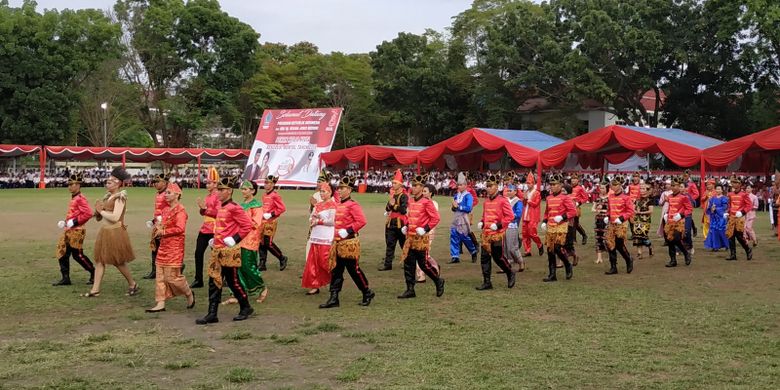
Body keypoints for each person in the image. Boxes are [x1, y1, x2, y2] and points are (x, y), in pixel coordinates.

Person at [196, 175, 254, 324]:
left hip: (229, 251)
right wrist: (204, 211)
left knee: (233, 281)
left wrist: (235, 239)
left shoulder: (235, 207)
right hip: (217, 249)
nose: (218, 192)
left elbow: (248, 226)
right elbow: (218, 217)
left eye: (221, 190)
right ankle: (212, 313)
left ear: (229, 191)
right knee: (214, 280)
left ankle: (245, 306)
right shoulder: (222, 207)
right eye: (218, 190)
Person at [319, 176, 375, 308]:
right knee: (336, 271)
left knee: (354, 270)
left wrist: (349, 230)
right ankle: (334, 297)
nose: (339, 190)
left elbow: (361, 221)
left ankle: (367, 291)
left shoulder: (353, 205)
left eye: (342, 188)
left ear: (349, 190)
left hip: (348, 244)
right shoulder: (339, 204)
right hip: (338, 243)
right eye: (338, 188)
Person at [83, 167, 138, 298]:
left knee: (118, 261)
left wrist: (101, 211)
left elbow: (115, 217)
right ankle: (95, 289)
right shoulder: (108, 197)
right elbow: (102, 216)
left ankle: (133, 283)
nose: (107, 183)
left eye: (111, 181)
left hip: (115, 232)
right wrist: (97, 212)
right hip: (105, 231)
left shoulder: (120, 197)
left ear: (118, 183)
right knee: (100, 260)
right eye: (107, 181)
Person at [145, 183, 195, 312]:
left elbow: (180, 228)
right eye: (165, 193)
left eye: (168, 193)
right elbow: (162, 223)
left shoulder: (181, 210)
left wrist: (164, 232)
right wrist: (157, 226)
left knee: (171, 277)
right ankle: (160, 302)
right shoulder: (166, 210)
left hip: (175, 247)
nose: (165, 195)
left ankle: (188, 292)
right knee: (160, 275)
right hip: (164, 245)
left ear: (177, 195)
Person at [397, 174, 445, 299]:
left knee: (423, 264)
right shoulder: (411, 201)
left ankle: (438, 280)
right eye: (412, 185)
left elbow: (435, 218)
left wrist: (425, 229)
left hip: (421, 237)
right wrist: (406, 225)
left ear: (421, 187)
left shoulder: (426, 202)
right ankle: (410, 289)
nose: (413, 188)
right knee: (409, 263)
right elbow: (410, 217)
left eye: (416, 186)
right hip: (410, 236)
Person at [222, 180, 269, 304]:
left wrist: (243, 223)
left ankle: (262, 288)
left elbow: (257, 223)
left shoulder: (257, 205)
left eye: (246, 189)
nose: (243, 191)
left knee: (248, 266)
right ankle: (237, 293)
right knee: (237, 267)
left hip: (250, 239)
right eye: (242, 189)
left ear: (253, 191)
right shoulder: (241, 205)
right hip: (239, 239)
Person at [474, 174, 516, 290]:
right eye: (487, 186)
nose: (488, 188)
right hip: (486, 234)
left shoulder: (503, 200)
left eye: (490, 186)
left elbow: (510, 216)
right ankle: (487, 282)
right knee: (484, 257)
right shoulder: (486, 201)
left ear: (496, 187)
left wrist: (498, 225)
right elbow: (485, 215)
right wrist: (482, 221)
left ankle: (510, 272)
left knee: (498, 257)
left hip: (497, 233)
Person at [53, 172, 95, 286]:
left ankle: (93, 273)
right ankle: (65, 277)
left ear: (78, 185)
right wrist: (66, 222)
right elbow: (74, 213)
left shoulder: (80, 198)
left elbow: (89, 213)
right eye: (69, 184)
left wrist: (74, 222)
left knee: (78, 255)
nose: (70, 186)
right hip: (69, 229)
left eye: (72, 184)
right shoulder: (75, 197)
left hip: (77, 230)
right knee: (62, 252)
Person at [540, 174, 576, 282]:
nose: (552, 186)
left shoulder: (565, 198)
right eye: (551, 184)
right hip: (551, 226)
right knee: (550, 250)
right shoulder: (549, 198)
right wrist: (544, 221)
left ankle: (567, 264)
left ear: (560, 185)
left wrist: (562, 217)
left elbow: (573, 211)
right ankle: (552, 274)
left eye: (554, 184)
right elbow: (547, 212)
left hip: (561, 225)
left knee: (558, 247)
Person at [303, 181, 336, 295]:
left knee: (325, 261)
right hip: (316, 235)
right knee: (313, 262)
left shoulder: (333, 205)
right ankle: (314, 285)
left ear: (330, 192)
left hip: (326, 237)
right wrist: (313, 219)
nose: (321, 193)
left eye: (324, 191)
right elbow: (311, 216)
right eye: (320, 191)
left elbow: (332, 221)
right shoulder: (318, 205)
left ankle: (333, 281)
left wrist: (319, 220)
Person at [191, 167, 220, 288]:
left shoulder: (219, 196)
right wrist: (202, 209)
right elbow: (204, 212)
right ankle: (198, 279)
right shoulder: (208, 196)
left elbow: (219, 212)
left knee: (217, 256)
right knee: (198, 253)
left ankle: (219, 278)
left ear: (216, 183)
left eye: (210, 183)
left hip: (215, 229)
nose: (207, 185)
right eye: (207, 183)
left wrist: (205, 210)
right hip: (205, 228)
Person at [604, 175, 635, 275]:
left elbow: (630, 211)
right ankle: (613, 267)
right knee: (609, 244)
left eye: (615, 185)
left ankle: (628, 259)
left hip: (621, 224)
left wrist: (621, 218)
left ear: (620, 185)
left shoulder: (626, 198)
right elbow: (609, 209)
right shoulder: (610, 197)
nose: (612, 186)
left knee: (619, 244)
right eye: (612, 184)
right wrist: (607, 216)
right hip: (612, 223)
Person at [379, 169, 407, 271]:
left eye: (395, 183)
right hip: (391, 223)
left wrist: (393, 205)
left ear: (400, 184)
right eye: (393, 183)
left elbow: (403, 210)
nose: (393, 185)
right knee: (390, 244)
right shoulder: (393, 196)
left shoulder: (404, 196)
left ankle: (407, 262)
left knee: (404, 244)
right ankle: (388, 264)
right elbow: (387, 208)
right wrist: (390, 206)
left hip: (400, 223)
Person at [258, 175, 288, 271]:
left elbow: (282, 208)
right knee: (261, 243)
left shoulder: (275, 195)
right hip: (263, 221)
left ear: (273, 184)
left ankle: (282, 257)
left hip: (271, 222)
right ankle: (262, 263)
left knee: (268, 243)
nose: (266, 185)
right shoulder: (264, 195)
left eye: (268, 183)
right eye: (265, 183)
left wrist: (271, 214)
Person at [144, 173, 169, 280]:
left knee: (165, 249)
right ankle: (155, 271)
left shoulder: (167, 194)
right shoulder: (158, 194)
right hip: (157, 224)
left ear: (164, 183)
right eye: (155, 182)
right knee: (155, 248)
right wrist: (153, 220)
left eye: (157, 182)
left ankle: (174, 267)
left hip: (164, 225)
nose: (155, 184)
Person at [449, 172, 478, 264]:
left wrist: (458, 207)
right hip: (456, 217)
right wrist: (453, 207)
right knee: (453, 235)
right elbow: (453, 207)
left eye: (461, 185)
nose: (459, 187)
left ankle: (473, 251)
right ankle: (455, 256)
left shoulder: (468, 196)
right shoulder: (456, 195)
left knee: (464, 237)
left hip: (463, 218)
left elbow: (469, 208)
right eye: (458, 185)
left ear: (465, 185)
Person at [664, 177, 693, 267]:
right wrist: (667, 214)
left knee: (676, 238)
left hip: (679, 222)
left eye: (675, 186)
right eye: (672, 185)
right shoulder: (669, 197)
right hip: (670, 221)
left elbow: (690, 209)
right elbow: (670, 207)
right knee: (670, 241)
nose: (673, 187)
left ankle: (686, 253)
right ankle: (673, 260)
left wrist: (681, 215)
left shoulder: (684, 197)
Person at [725, 176, 753, 261]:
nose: (734, 184)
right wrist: (727, 212)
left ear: (739, 184)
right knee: (730, 235)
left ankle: (748, 250)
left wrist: (742, 212)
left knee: (739, 236)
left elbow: (749, 205)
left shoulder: (744, 194)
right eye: (733, 182)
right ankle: (733, 255)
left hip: (739, 217)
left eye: (735, 182)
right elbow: (729, 205)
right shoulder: (730, 194)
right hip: (731, 217)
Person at [419, 184, 441, 281]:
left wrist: (426, 228)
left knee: (424, 253)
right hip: (419, 230)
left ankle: (423, 274)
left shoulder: (434, 204)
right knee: (420, 252)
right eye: (422, 191)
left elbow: (434, 218)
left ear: (431, 193)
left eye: (425, 191)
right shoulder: (420, 202)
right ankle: (425, 273)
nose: (423, 193)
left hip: (429, 230)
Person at [503, 184, 524, 272]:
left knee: (512, 246)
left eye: (510, 191)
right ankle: (507, 264)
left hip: (512, 225)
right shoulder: (505, 200)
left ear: (515, 192)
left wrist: (509, 216)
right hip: (503, 225)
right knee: (504, 246)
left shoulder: (518, 202)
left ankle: (520, 261)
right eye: (507, 191)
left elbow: (518, 214)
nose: (508, 192)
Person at [521, 177, 543, 257]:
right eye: (527, 183)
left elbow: (536, 204)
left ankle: (539, 244)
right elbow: (523, 203)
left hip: (533, 215)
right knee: (525, 234)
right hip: (525, 215)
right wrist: (524, 199)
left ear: (533, 183)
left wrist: (528, 200)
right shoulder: (526, 192)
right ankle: (527, 250)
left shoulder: (537, 193)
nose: (528, 185)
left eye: (529, 183)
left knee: (532, 233)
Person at [704, 185, 729, 252]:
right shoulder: (712, 199)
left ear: (722, 190)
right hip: (714, 218)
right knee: (713, 231)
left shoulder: (724, 198)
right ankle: (715, 246)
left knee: (721, 231)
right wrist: (712, 209)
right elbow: (709, 208)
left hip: (721, 218)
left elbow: (725, 207)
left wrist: (716, 209)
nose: (718, 190)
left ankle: (727, 244)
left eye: (719, 189)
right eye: (717, 189)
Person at [632, 184, 653, 259]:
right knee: (637, 236)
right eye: (640, 188)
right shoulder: (637, 200)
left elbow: (650, 211)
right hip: (637, 220)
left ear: (647, 190)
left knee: (643, 236)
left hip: (645, 220)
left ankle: (649, 246)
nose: (641, 190)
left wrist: (640, 212)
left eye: (643, 189)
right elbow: (633, 208)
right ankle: (639, 253)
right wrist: (635, 211)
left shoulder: (650, 200)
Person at [570, 173, 589, 245]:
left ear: (578, 180)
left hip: (576, 208)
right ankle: (584, 235)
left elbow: (586, 197)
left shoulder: (580, 188)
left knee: (574, 224)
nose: (573, 181)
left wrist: (579, 203)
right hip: (569, 208)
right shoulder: (569, 187)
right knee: (575, 224)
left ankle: (573, 239)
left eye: (575, 179)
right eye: (572, 179)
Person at [592, 183, 609, 264]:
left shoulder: (610, 199)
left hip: (606, 221)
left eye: (603, 188)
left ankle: (611, 254)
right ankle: (599, 258)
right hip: (598, 220)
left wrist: (601, 210)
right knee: (598, 238)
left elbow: (611, 210)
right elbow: (592, 209)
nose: (601, 189)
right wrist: (596, 210)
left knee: (607, 238)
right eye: (600, 188)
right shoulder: (597, 198)